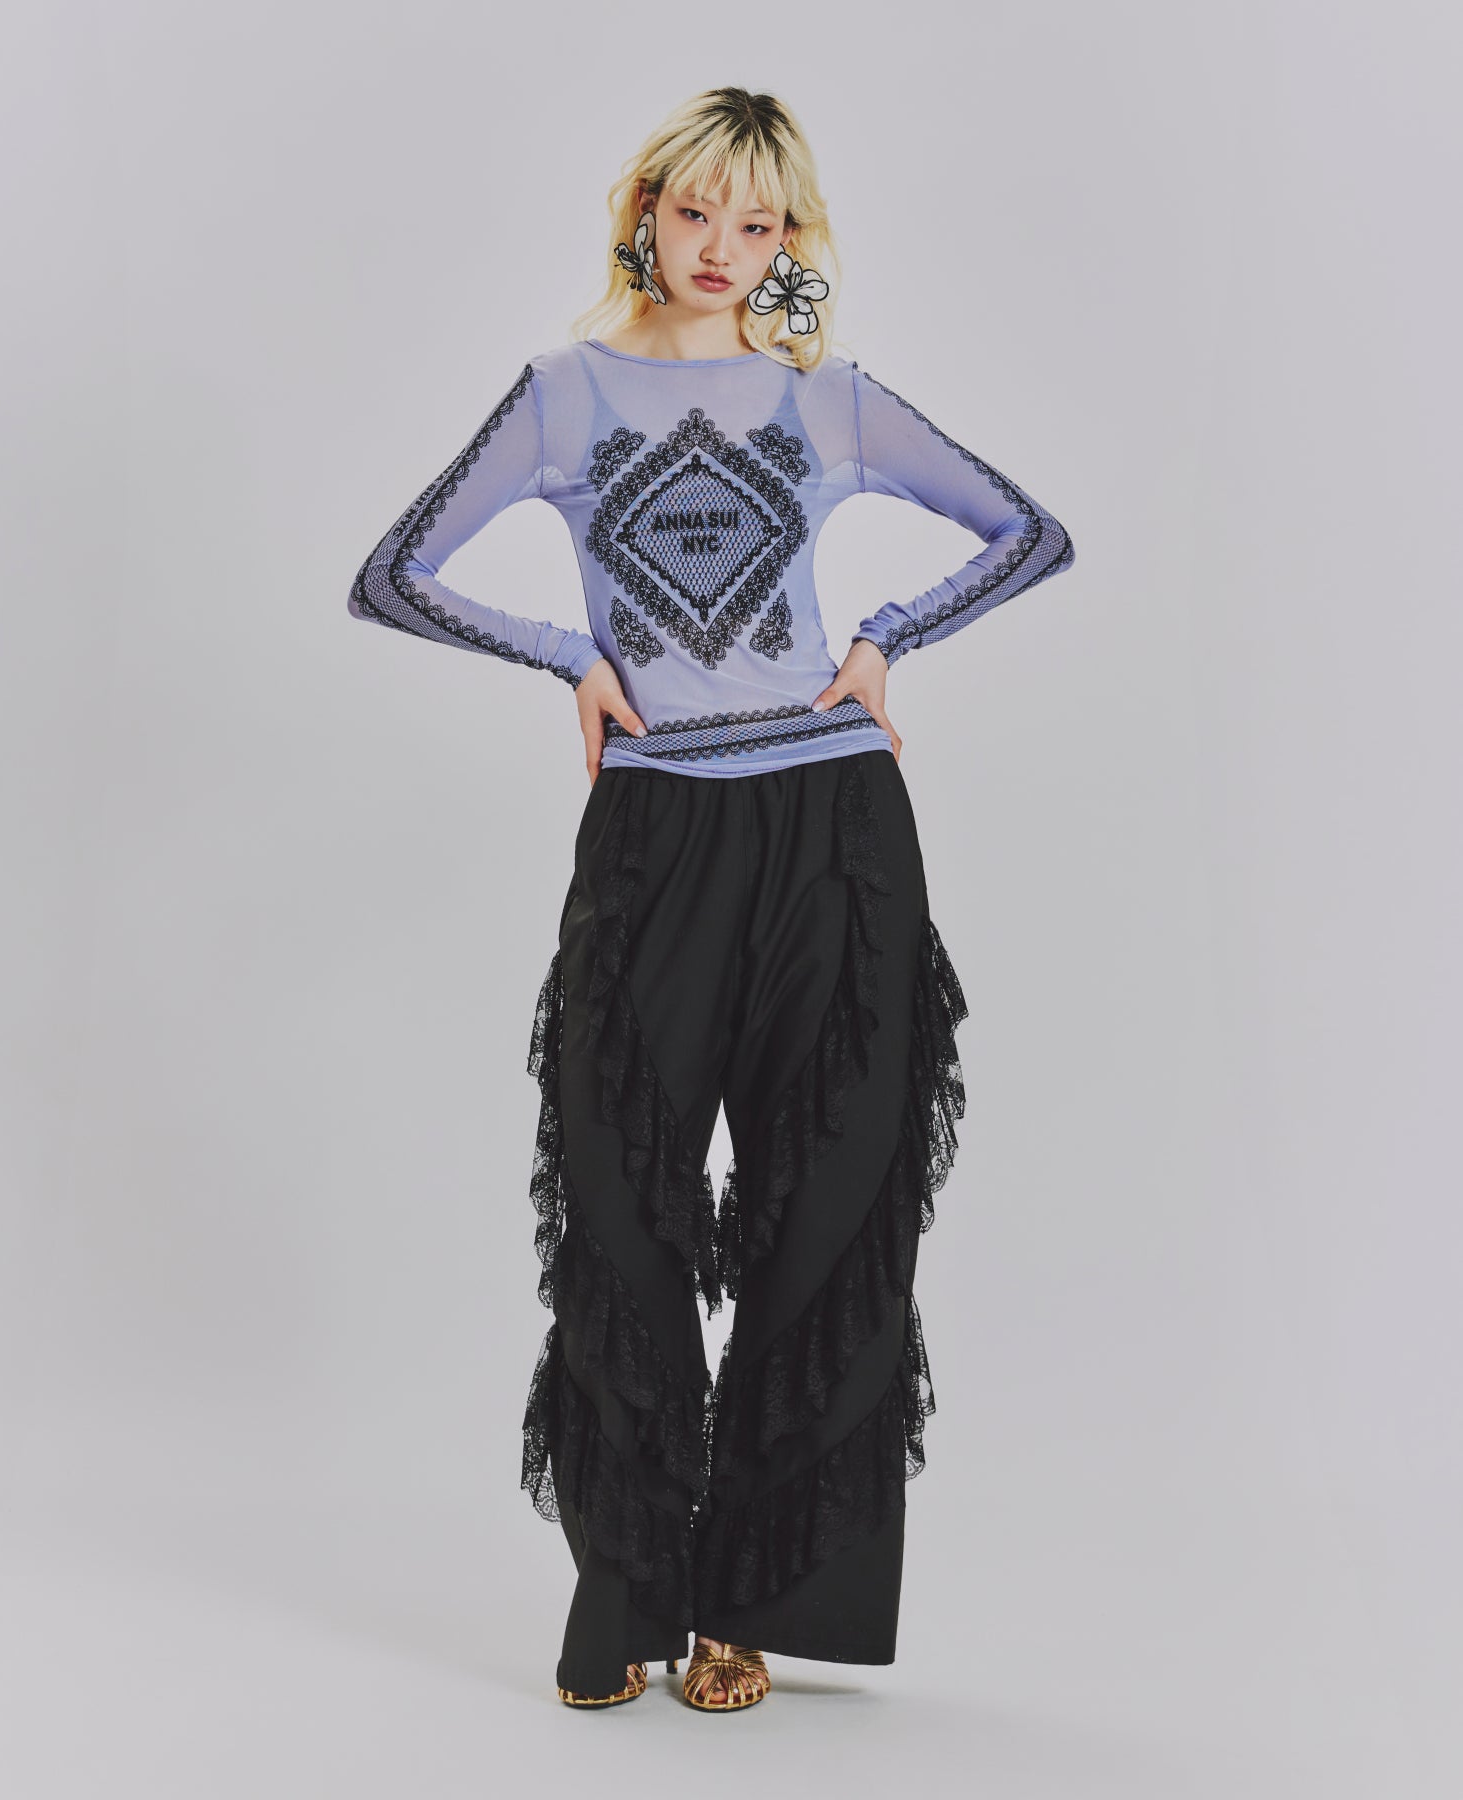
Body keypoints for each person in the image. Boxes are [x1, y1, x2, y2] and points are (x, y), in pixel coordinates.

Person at [348, 85, 1075, 1711]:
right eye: (696, 213)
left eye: (760, 223)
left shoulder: (828, 396)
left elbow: (1028, 534)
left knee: (827, 1201)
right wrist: (571, 657)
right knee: (622, 1196)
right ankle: (627, 1591)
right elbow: (394, 573)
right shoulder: (560, 396)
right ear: (644, 210)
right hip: (657, 830)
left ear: (790, 236)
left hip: (833, 826)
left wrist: (884, 639)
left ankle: (748, 1606)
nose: (723, 249)